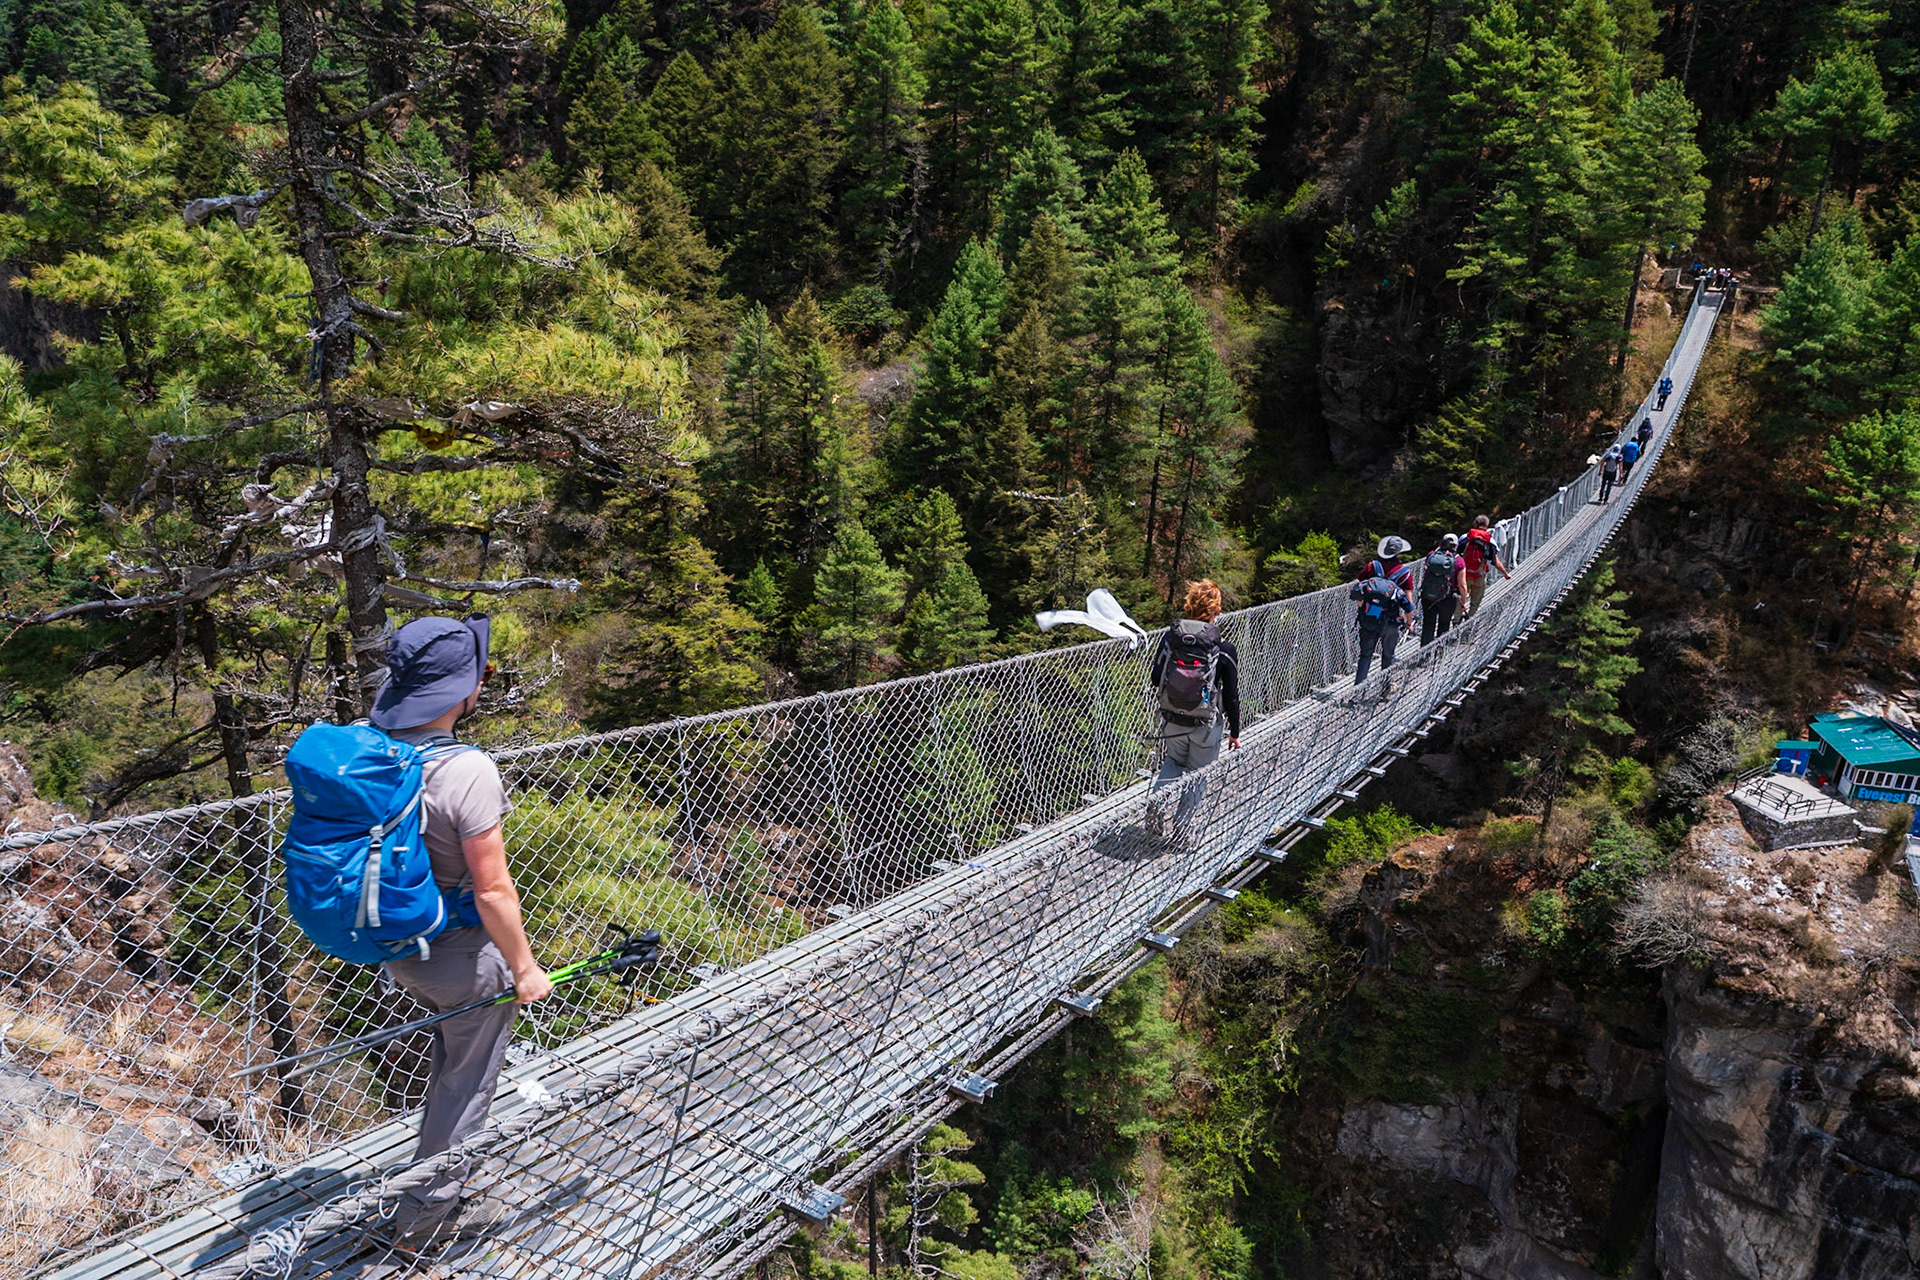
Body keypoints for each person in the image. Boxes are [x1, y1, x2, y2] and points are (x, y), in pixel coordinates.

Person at [372, 616, 551, 1245]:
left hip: (400, 946)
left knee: (450, 1063)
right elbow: (494, 888)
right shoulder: (467, 768)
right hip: (463, 956)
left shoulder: (375, 750)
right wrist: (526, 968)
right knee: (468, 1084)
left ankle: (423, 1184)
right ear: (462, 688)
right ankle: (421, 1226)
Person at [1147, 579, 1242, 838]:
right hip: (1205, 726)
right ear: (1216, 611)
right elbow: (1231, 695)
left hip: (1172, 717)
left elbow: (1156, 678)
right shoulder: (1223, 649)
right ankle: (1181, 833)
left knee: (1174, 761)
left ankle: (1157, 804)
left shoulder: (1170, 639)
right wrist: (1235, 732)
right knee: (1198, 775)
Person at [1460, 515, 1510, 619]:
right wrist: (1505, 574)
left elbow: (1455, 556)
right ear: (1487, 525)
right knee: (1475, 602)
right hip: (1479, 575)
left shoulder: (1466, 537)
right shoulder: (1489, 540)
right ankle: (1470, 620)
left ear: (1475, 523)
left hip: (1463, 575)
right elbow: (1495, 561)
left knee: (1460, 598)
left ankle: (1456, 621)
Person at [1418, 534, 1465, 646]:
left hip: (1428, 595)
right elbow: (1462, 584)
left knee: (1428, 624)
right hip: (1448, 598)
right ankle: (1438, 655)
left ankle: (1424, 655)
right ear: (1456, 546)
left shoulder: (1431, 556)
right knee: (1444, 624)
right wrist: (1463, 601)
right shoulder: (1459, 561)